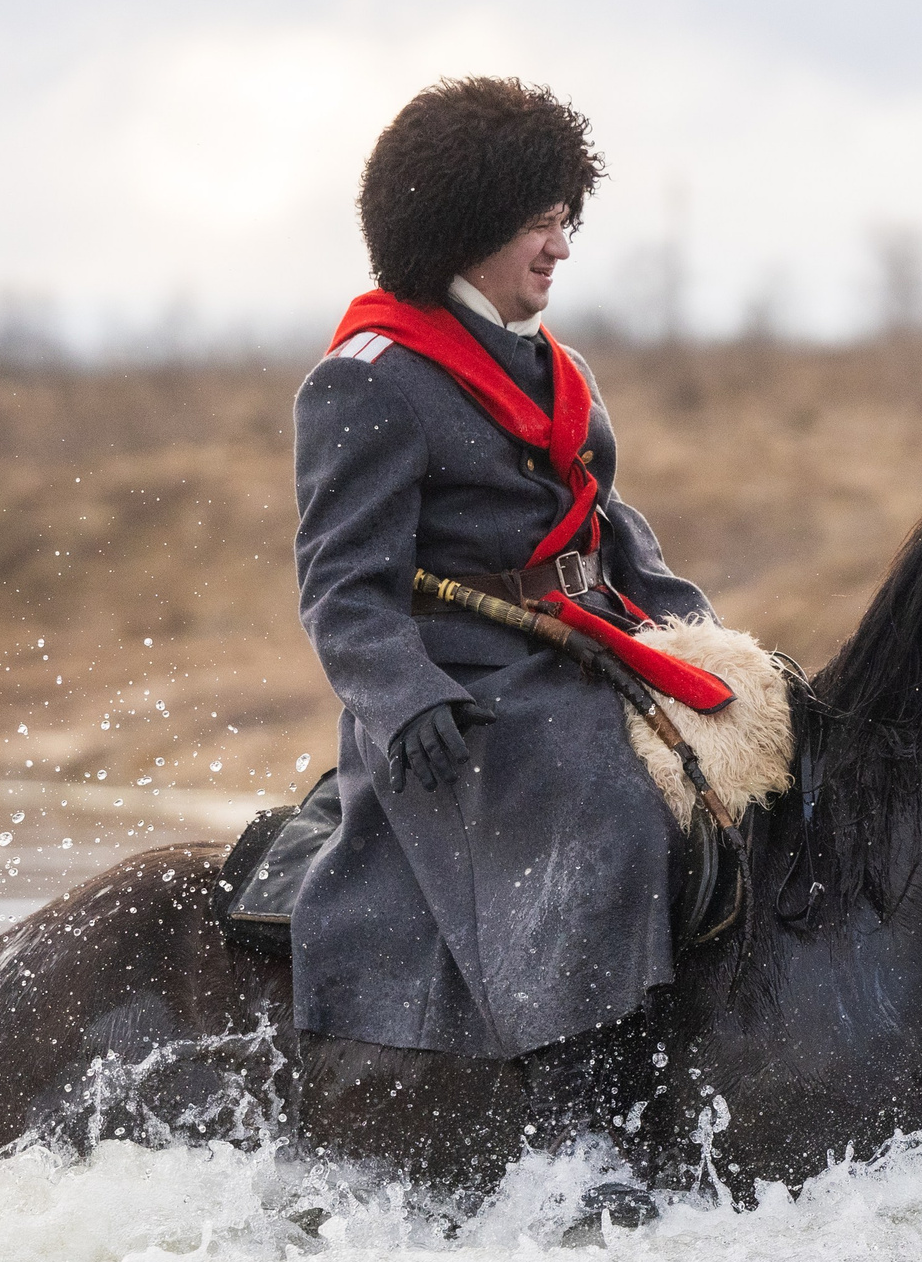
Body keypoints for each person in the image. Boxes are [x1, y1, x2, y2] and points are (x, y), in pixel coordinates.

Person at [287, 78, 725, 1171]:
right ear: (470, 225)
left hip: (591, 650)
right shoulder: (368, 382)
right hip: (471, 694)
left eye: (565, 219)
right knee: (615, 802)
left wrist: (703, 639)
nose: (561, 247)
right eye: (542, 222)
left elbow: (610, 531)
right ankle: (586, 1122)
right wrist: (406, 698)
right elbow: (343, 588)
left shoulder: (562, 371)